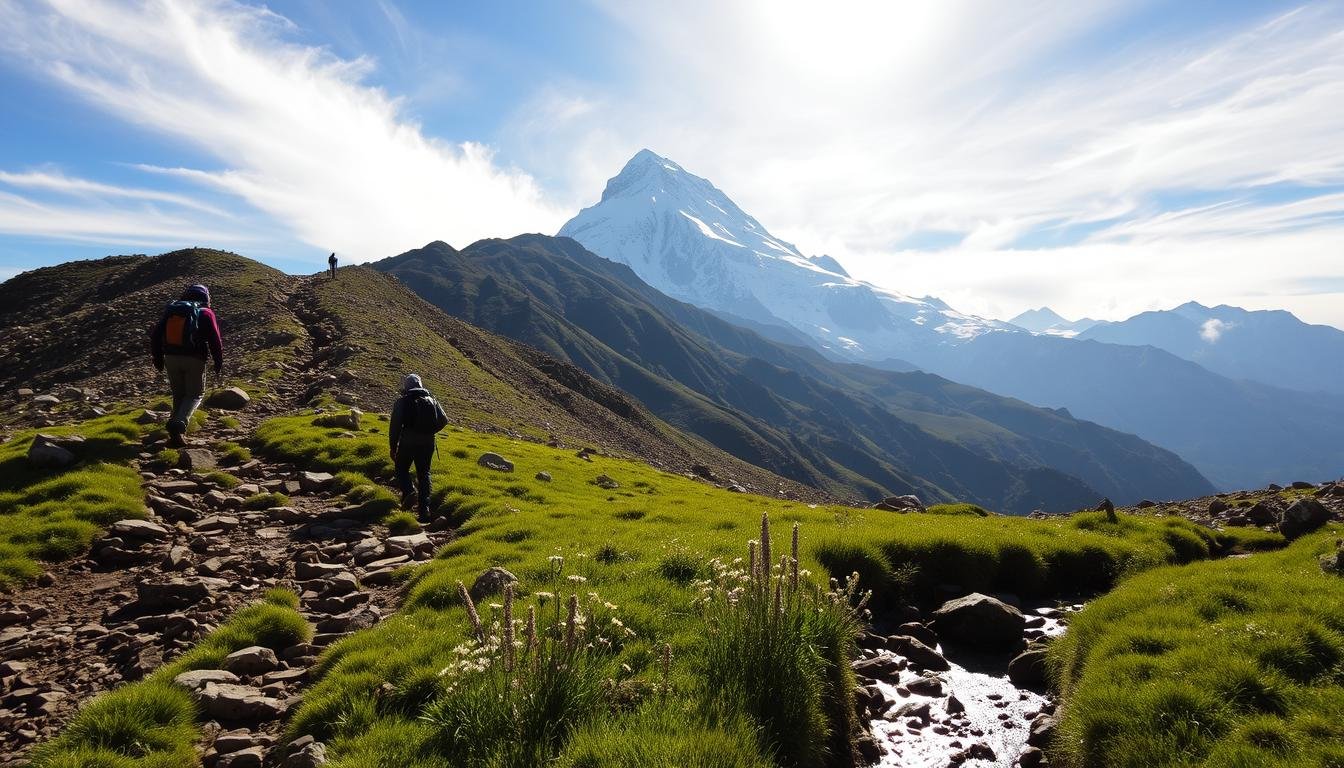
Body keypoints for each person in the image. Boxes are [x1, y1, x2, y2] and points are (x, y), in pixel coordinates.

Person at [150, 284, 224, 447]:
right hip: (194, 358)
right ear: (206, 298)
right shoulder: (206, 312)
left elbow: (156, 334)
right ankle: (179, 423)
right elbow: (215, 340)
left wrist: (158, 358)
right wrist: (218, 362)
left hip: (170, 357)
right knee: (195, 394)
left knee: (179, 394)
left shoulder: (172, 310)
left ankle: (175, 436)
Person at [389, 374, 449, 521]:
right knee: (424, 473)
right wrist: (430, 432)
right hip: (428, 442)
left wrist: (393, 446)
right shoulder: (432, 400)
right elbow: (444, 420)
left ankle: (409, 492)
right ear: (420, 385)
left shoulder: (402, 401)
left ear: (406, 386)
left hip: (408, 441)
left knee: (401, 468)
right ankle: (424, 510)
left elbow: (395, 426)